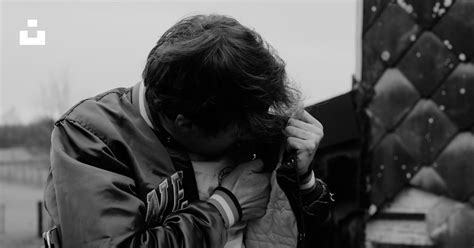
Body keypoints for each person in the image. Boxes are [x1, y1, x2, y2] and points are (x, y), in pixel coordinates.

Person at [43, 14, 332, 248]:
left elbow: (308, 234)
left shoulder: (242, 113)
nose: (250, 136)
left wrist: (303, 181)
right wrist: (224, 208)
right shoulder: (92, 136)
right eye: (238, 132)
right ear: (183, 123)